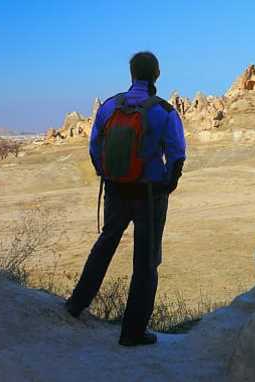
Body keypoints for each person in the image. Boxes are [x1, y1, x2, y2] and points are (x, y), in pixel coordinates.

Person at [64, 51, 186, 347]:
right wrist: (167, 185)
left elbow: (95, 147)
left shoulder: (109, 107)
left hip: (116, 191)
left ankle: (76, 304)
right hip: (149, 194)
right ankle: (132, 332)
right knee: (146, 262)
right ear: (157, 75)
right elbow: (177, 154)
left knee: (105, 244)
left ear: (131, 74)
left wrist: (107, 175)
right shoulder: (165, 111)